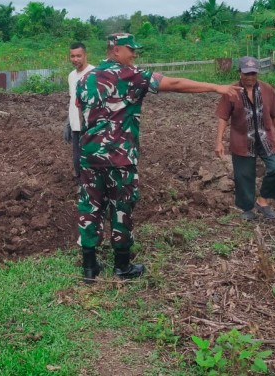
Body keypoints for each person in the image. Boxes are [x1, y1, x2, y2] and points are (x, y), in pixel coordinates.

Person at [76, 33, 241, 283]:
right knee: (122, 208)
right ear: (116, 50)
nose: (134, 55)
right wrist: (216, 87)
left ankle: (89, 268)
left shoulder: (86, 77)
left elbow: (80, 110)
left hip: (89, 155)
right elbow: (173, 84)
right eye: (131, 50)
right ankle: (122, 267)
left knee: (90, 207)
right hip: (120, 158)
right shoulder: (130, 75)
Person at [215, 56, 275, 221]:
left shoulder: (267, 89)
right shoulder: (231, 91)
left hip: (266, 137)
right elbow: (223, 118)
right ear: (239, 72)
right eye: (246, 74)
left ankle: (262, 202)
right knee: (244, 175)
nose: (250, 77)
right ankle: (247, 208)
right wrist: (219, 141)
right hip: (242, 139)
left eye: (253, 73)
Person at [66, 42, 94, 181]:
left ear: (85, 55)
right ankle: (80, 184)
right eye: (72, 56)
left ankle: (92, 185)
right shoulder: (71, 76)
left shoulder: (94, 74)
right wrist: (68, 123)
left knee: (91, 157)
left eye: (79, 56)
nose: (75, 59)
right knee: (77, 157)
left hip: (92, 126)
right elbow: (72, 100)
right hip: (75, 124)